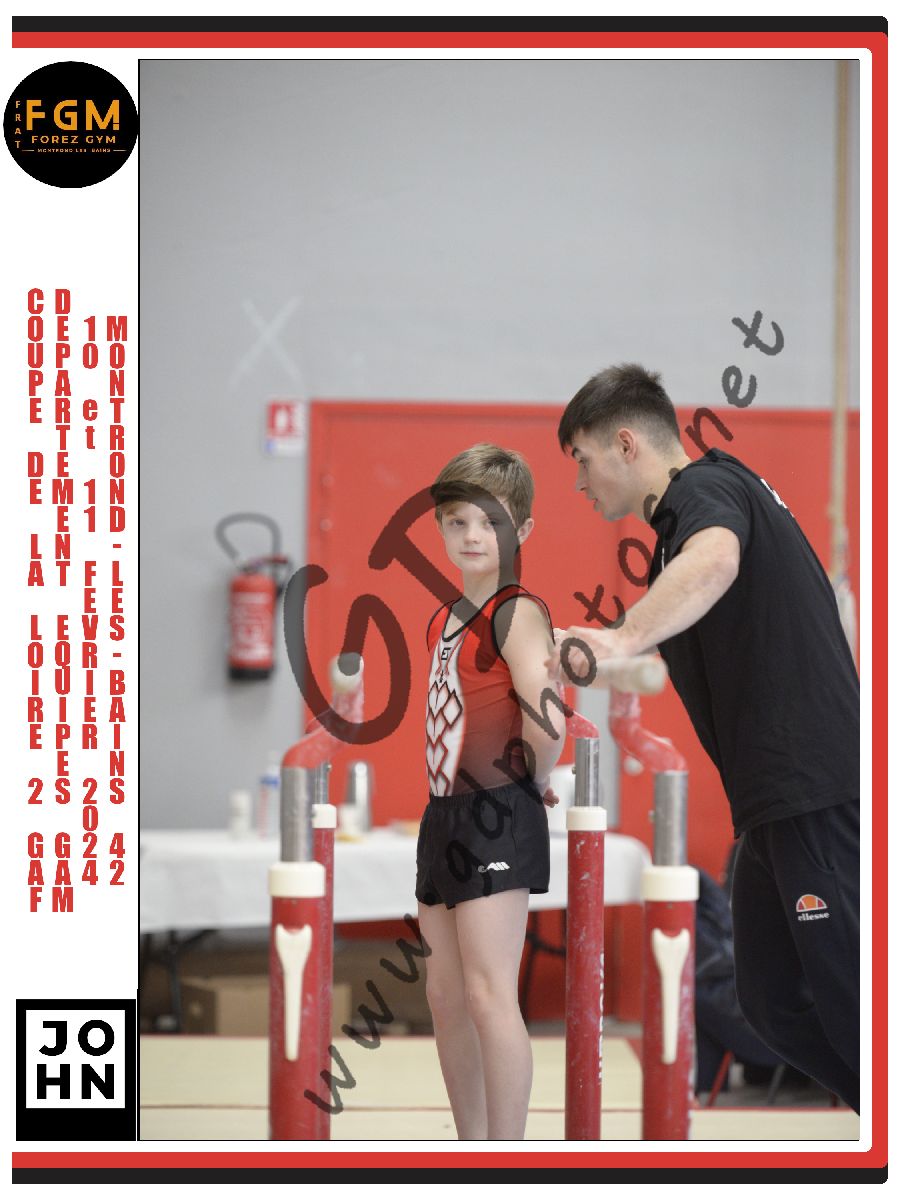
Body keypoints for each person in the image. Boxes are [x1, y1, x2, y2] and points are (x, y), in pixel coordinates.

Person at [546, 363, 861, 1113]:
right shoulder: (682, 525)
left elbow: (716, 560)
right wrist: (613, 653)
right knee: (767, 1001)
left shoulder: (703, 492)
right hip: (768, 801)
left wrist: (622, 639)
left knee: (852, 1002)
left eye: (582, 461)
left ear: (627, 444)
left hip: (813, 789)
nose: (579, 483)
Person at [415, 443, 565, 1140]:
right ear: (441, 527)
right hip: (444, 815)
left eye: (491, 522)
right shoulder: (443, 618)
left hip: (496, 813)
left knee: (486, 992)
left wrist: (532, 781)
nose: (473, 535)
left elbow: (547, 716)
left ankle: (507, 1160)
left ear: (522, 531)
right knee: (445, 995)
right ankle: (470, 1150)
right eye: (458, 521)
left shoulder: (517, 612)